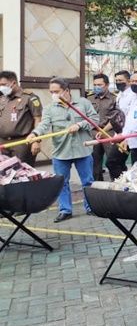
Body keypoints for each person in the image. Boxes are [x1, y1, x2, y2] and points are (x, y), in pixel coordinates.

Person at [27, 78, 98, 222]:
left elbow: (95, 119)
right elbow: (43, 125)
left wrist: (80, 125)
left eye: (56, 91)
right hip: (61, 152)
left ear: (66, 90)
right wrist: (34, 134)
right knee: (62, 182)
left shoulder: (83, 103)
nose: (53, 94)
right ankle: (65, 210)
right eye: (51, 92)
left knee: (88, 181)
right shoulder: (49, 108)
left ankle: (91, 207)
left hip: (82, 150)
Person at [0, 70, 42, 165]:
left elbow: (38, 120)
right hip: (3, 142)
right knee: (5, 174)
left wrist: (36, 140)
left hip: (22, 143)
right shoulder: (2, 98)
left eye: (3, 84)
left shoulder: (29, 98)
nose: (1, 87)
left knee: (23, 173)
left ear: (13, 83)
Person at [86, 73, 124, 181]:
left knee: (113, 161)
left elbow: (118, 117)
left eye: (99, 84)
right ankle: (98, 186)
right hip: (94, 133)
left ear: (106, 85)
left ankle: (117, 183)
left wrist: (105, 130)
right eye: (95, 84)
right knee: (94, 163)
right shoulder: (89, 98)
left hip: (110, 133)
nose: (97, 87)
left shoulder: (114, 99)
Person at [104, 70, 132, 178]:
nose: (118, 82)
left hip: (129, 135)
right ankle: (123, 185)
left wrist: (127, 137)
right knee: (117, 163)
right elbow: (118, 116)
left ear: (128, 81)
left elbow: (131, 119)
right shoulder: (120, 95)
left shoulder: (132, 96)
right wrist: (105, 129)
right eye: (116, 81)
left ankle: (121, 183)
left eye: (120, 80)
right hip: (120, 134)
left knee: (112, 162)